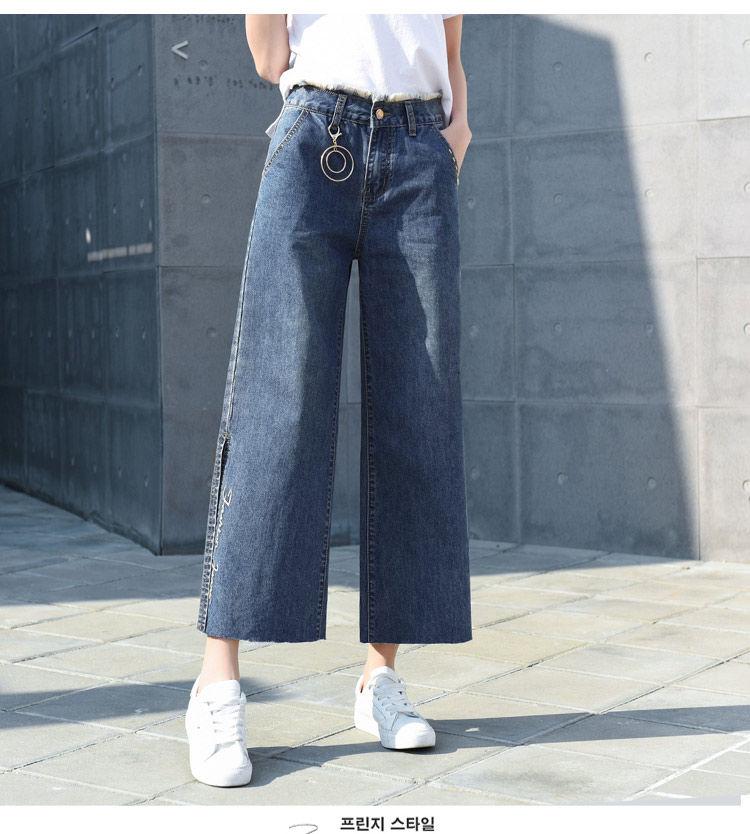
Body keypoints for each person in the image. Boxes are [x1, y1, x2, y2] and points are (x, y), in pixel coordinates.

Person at [185, 13, 473, 788]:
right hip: (316, 135)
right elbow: (268, 54)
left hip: (420, 146)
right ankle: (216, 683)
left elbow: (449, 42)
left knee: (418, 411)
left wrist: (456, 131)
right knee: (276, 406)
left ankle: (381, 679)